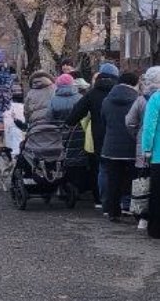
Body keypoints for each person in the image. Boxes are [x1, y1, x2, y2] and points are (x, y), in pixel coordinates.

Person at [67, 63, 119, 206]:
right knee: (118, 168)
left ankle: (100, 200)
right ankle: (118, 201)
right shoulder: (120, 91)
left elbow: (75, 115)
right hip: (120, 135)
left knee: (99, 168)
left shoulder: (92, 93)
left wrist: (69, 123)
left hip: (98, 136)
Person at [100, 72, 139, 223]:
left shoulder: (107, 100)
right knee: (133, 179)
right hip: (131, 145)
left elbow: (103, 121)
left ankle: (112, 211)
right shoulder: (136, 100)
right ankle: (130, 207)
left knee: (113, 180)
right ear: (134, 83)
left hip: (110, 147)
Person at [125, 67, 160, 231]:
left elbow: (149, 128)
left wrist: (146, 149)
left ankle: (154, 228)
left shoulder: (155, 98)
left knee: (155, 192)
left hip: (156, 154)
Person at [48, 73, 87, 191]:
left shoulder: (53, 100)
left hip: (59, 134)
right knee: (77, 159)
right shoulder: (80, 98)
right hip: (78, 134)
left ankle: (61, 185)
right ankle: (78, 186)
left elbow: (48, 118)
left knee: (61, 159)